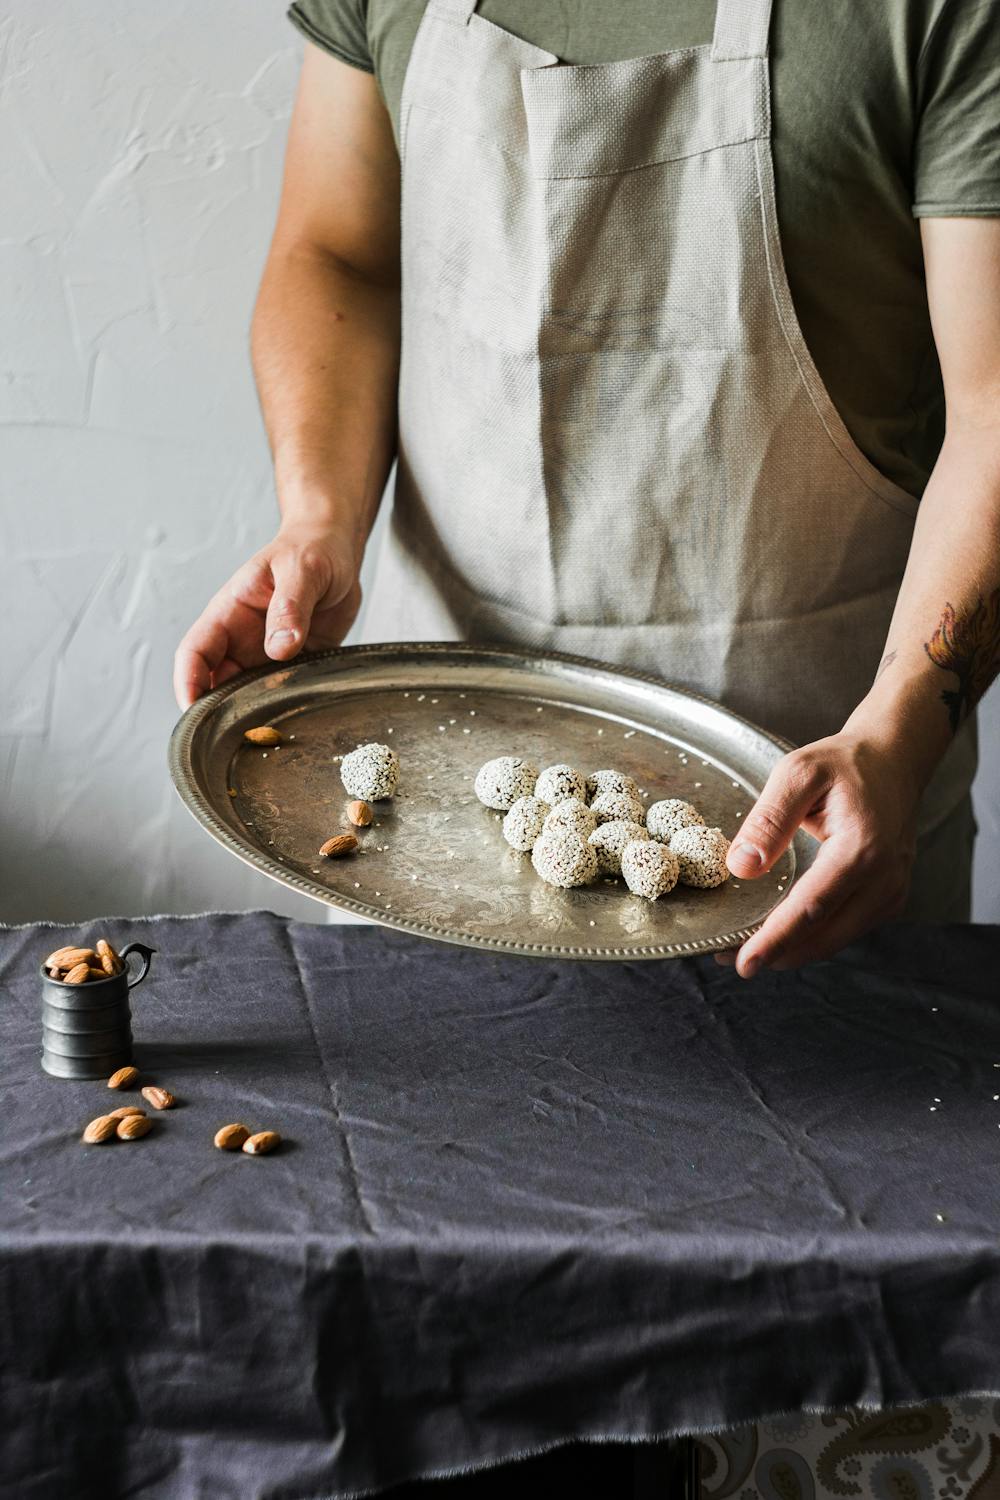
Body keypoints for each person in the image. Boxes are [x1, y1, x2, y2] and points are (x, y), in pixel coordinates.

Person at [174, 0, 1000, 982]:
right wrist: (320, 517)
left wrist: (898, 734)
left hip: (815, 815)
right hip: (431, 819)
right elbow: (337, 250)